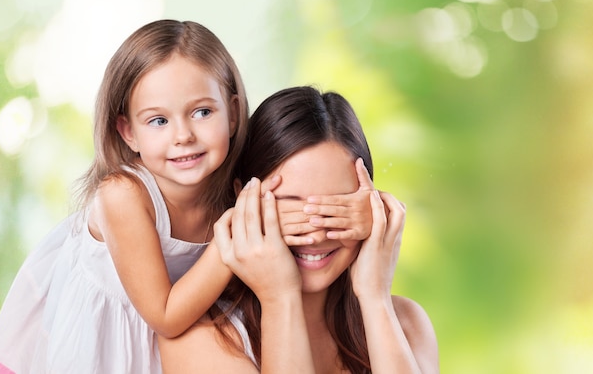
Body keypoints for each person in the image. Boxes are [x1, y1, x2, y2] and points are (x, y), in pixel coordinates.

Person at [0, 19, 249, 374]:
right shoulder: (123, 195)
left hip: (176, 339)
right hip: (100, 344)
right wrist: (233, 238)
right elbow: (165, 315)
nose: (183, 135)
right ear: (128, 133)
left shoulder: (233, 189)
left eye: (202, 112)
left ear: (232, 113)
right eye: (158, 121)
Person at [158, 85, 440, 373]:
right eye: (290, 209)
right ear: (242, 201)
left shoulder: (406, 323)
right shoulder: (201, 339)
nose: (316, 235)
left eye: (335, 210)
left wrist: (374, 297)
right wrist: (279, 297)